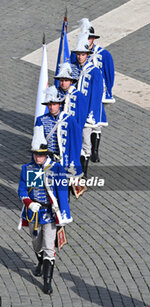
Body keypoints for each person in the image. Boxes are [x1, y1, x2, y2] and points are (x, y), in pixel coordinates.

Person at [18, 134, 72, 295]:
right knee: (36, 242)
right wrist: (29, 203)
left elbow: (62, 192)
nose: (38, 157)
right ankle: (40, 262)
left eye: (41, 154)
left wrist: (63, 214)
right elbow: (22, 190)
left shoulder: (56, 169)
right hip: (34, 214)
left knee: (49, 246)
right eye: (36, 154)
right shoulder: (28, 168)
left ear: (46, 154)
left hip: (49, 213)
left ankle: (47, 282)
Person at [71, 18, 115, 163]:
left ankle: (94, 150)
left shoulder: (103, 54)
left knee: (96, 121)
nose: (88, 40)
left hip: (99, 93)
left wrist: (107, 90)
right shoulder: (77, 53)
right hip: (81, 94)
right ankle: (85, 149)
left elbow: (109, 74)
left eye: (89, 37)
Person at [34, 85, 83, 196]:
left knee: (63, 188)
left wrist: (73, 162)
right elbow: (36, 144)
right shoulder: (41, 120)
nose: (52, 107)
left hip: (63, 159)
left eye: (54, 104)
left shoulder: (70, 120)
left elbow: (76, 143)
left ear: (60, 105)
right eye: (50, 105)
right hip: (48, 159)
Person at [71, 32, 107, 176]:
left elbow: (96, 96)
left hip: (85, 113)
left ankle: (83, 175)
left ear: (88, 55)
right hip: (73, 111)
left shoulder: (94, 72)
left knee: (85, 143)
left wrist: (91, 114)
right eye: (78, 54)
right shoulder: (72, 69)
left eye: (83, 54)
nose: (80, 57)